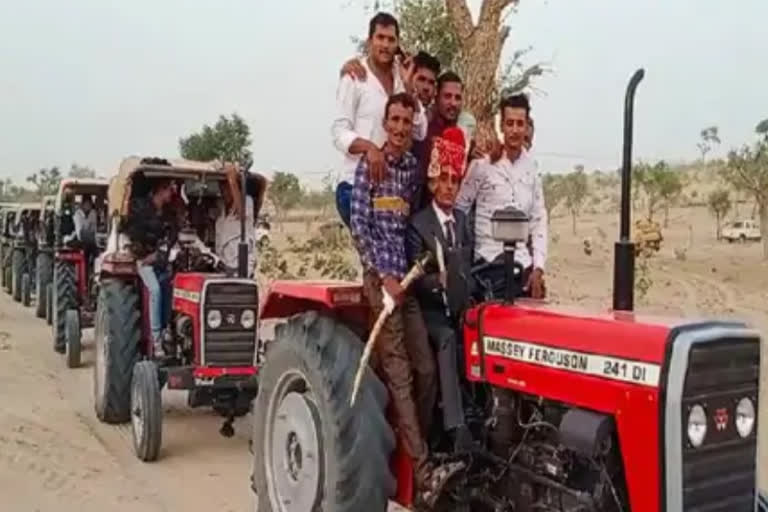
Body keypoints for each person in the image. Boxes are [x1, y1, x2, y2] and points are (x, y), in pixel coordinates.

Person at [349, 92, 440, 504]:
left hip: (406, 282)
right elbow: (360, 227)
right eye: (395, 120)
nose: (401, 128)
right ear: (385, 124)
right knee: (400, 374)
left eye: (407, 121)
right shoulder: (372, 167)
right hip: (380, 282)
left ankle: (412, 447)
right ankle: (422, 475)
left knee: (426, 370)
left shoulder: (410, 171)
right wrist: (383, 277)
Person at [406, 126, 475, 453]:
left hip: (460, 308)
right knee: (447, 339)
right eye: (443, 180)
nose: (449, 187)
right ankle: (454, 427)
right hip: (430, 312)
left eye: (455, 181)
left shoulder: (462, 221)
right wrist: (438, 283)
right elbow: (414, 278)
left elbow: (470, 264)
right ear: (433, 183)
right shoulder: (419, 224)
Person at [331, 12, 428, 227]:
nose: (385, 45)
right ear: (369, 41)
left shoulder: (402, 77)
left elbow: (420, 131)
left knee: (391, 256)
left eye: (391, 39)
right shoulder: (355, 77)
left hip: (391, 188)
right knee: (375, 255)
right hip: (355, 185)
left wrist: (409, 86)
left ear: (398, 44)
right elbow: (339, 133)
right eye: (380, 38)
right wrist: (369, 148)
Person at [455, 94, 547, 299]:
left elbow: (538, 219)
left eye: (520, 124)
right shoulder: (483, 164)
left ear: (526, 127)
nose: (514, 130)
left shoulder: (532, 167)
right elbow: (460, 209)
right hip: (487, 266)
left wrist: (538, 267)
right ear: (502, 125)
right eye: (510, 123)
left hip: (522, 265)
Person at [124, 179, 177, 357]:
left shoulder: (168, 214)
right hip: (143, 260)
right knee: (154, 290)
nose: (172, 193)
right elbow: (136, 238)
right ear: (160, 190)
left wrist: (160, 255)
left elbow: (171, 238)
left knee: (171, 286)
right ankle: (156, 339)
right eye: (170, 189)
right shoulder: (141, 210)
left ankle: (167, 330)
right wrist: (147, 255)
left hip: (159, 260)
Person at [340, 49, 441, 110]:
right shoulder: (388, 103)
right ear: (408, 75)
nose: (426, 88)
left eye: (431, 83)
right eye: (421, 79)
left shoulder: (433, 122)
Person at [214, 165, 256, 275]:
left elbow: (241, 213)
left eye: (227, 188)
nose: (224, 192)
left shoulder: (247, 202)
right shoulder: (222, 213)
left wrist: (232, 180)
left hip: (242, 265)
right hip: (224, 265)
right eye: (222, 188)